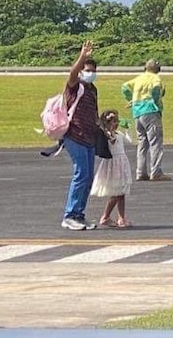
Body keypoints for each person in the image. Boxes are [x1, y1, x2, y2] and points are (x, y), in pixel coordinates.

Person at [60, 40, 102, 231]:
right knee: (81, 174)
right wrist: (82, 56)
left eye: (93, 70)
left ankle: (79, 214)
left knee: (88, 178)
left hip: (89, 137)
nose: (90, 73)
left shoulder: (93, 89)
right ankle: (70, 215)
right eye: (87, 69)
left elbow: (94, 113)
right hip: (74, 135)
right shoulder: (74, 86)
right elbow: (72, 73)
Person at [122, 58, 167, 181]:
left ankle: (140, 172)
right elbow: (156, 90)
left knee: (142, 143)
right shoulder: (155, 78)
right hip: (150, 111)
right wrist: (156, 103)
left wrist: (131, 99)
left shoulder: (139, 78)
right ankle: (156, 172)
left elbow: (125, 86)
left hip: (137, 112)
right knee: (155, 142)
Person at [91, 109, 134, 228]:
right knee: (116, 192)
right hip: (113, 164)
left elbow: (130, 141)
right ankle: (105, 216)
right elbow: (112, 142)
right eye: (113, 121)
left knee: (121, 192)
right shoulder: (107, 136)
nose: (116, 124)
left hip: (121, 163)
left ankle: (121, 218)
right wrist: (108, 131)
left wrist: (127, 129)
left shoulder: (119, 134)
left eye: (117, 121)